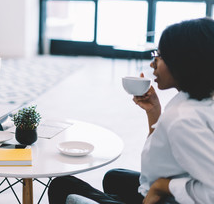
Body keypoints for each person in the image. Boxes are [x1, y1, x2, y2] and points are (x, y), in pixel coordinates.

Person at [48, 17, 214, 204]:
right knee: (114, 178)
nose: (152, 64)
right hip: (166, 193)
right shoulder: (198, 99)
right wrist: (154, 111)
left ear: (184, 63)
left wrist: (161, 186)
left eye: (159, 56)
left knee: (62, 186)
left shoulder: (183, 119)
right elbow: (162, 155)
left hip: (165, 198)